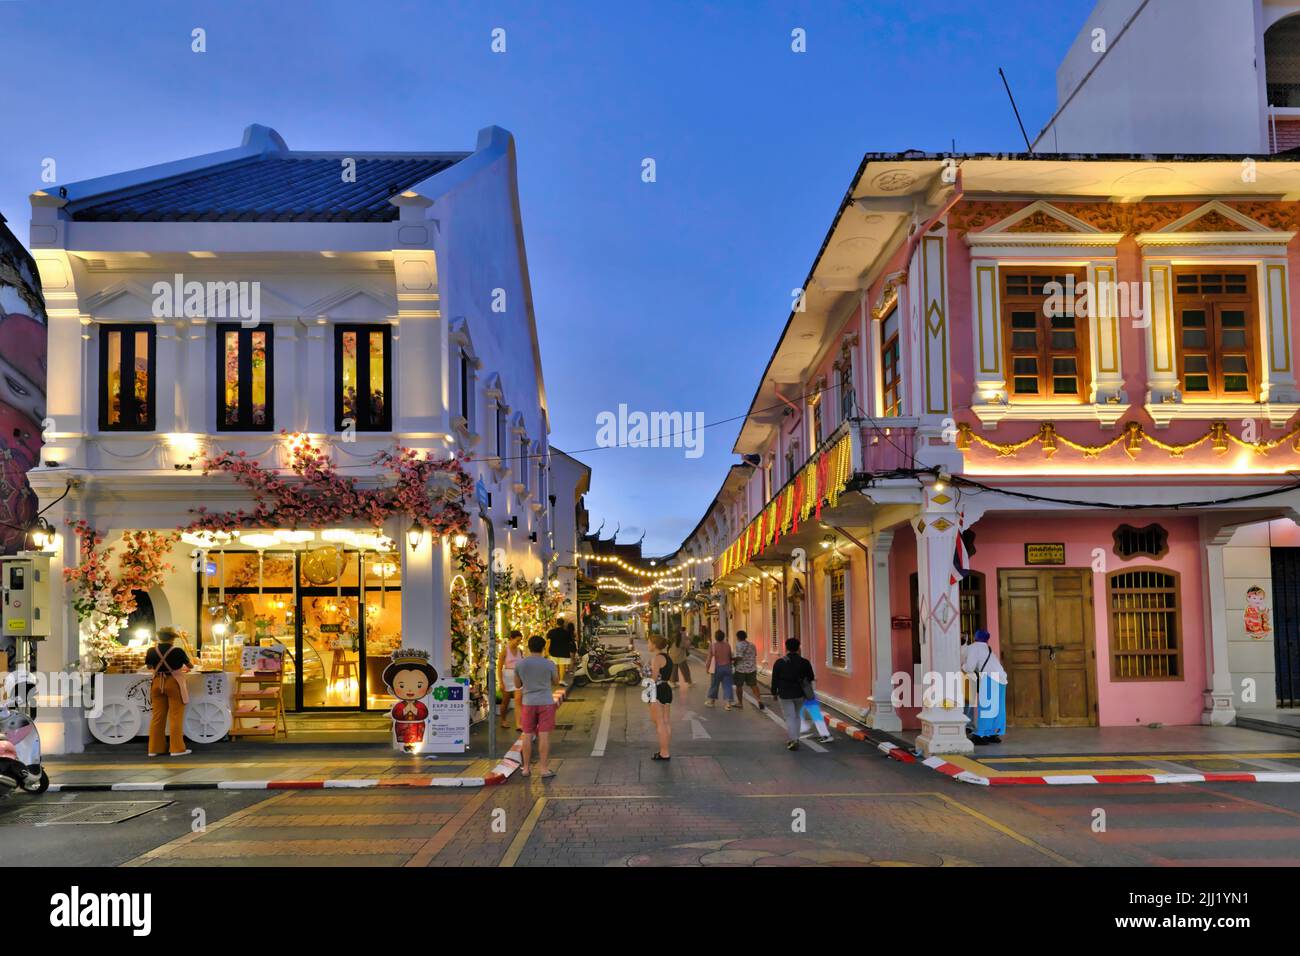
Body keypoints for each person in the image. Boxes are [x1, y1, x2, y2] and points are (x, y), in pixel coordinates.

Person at [514, 635, 558, 778]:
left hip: (528, 702)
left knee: (527, 735)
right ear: (543, 648)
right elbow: (556, 681)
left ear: (528, 647)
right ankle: (544, 769)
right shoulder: (549, 664)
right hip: (546, 701)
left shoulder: (520, 664)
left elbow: (517, 685)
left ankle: (526, 768)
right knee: (544, 735)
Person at [145, 627, 193, 757]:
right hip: (173, 683)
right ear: (172, 638)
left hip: (156, 683)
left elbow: (149, 667)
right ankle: (176, 749)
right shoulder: (177, 651)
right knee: (175, 716)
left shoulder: (151, 650)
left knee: (157, 717)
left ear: (160, 637)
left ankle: (154, 749)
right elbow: (191, 666)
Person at [962, 629, 1008, 745]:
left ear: (975, 637)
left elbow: (970, 668)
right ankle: (993, 733)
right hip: (1001, 678)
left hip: (990, 678)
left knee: (986, 707)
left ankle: (981, 735)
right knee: (997, 707)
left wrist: (963, 666)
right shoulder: (988, 648)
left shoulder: (974, 647)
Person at [770, 638, 815, 751]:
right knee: (797, 715)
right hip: (799, 693)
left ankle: (793, 739)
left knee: (789, 716)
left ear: (786, 648)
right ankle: (796, 738)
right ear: (798, 648)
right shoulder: (804, 662)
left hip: (785, 693)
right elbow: (811, 677)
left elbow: (774, 679)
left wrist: (774, 692)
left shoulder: (779, 662)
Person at [646, 634, 672, 760]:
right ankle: (666, 750)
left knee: (659, 722)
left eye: (649, 642)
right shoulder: (667, 657)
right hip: (666, 689)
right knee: (665, 721)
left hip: (656, 690)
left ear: (655, 645)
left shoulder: (657, 658)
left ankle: (664, 752)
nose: (648, 645)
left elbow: (654, 678)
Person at [497, 629, 525, 728]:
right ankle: (503, 719)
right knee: (505, 701)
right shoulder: (504, 651)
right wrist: (500, 682)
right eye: (517, 640)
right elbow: (499, 668)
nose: (518, 643)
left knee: (518, 700)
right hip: (507, 678)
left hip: (517, 677)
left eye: (520, 641)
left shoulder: (520, 651)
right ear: (511, 639)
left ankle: (519, 724)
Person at [731, 629, 762, 710]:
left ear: (738, 637)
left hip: (741, 669)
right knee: (753, 685)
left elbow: (739, 657)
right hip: (752, 668)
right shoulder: (752, 645)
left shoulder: (739, 645)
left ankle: (740, 703)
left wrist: (732, 659)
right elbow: (755, 655)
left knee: (739, 686)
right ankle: (759, 700)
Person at [704, 630, 734, 710]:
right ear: (723, 637)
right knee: (727, 686)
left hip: (717, 668)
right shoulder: (727, 645)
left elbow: (709, 658)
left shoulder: (713, 646)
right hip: (727, 668)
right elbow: (730, 656)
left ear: (715, 637)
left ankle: (711, 701)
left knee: (714, 685)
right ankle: (728, 704)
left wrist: (707, 668)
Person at [545, 616, 574, 683]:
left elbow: (548, 641)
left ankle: (556, 679)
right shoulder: (566, 632)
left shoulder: (551, 632)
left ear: (556, 623)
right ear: (563, 624)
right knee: (562, 666)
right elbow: (569, 641)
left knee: (555, 666)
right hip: (564, 651)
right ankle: (561, 680)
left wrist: (547, 651)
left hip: (553, 651)